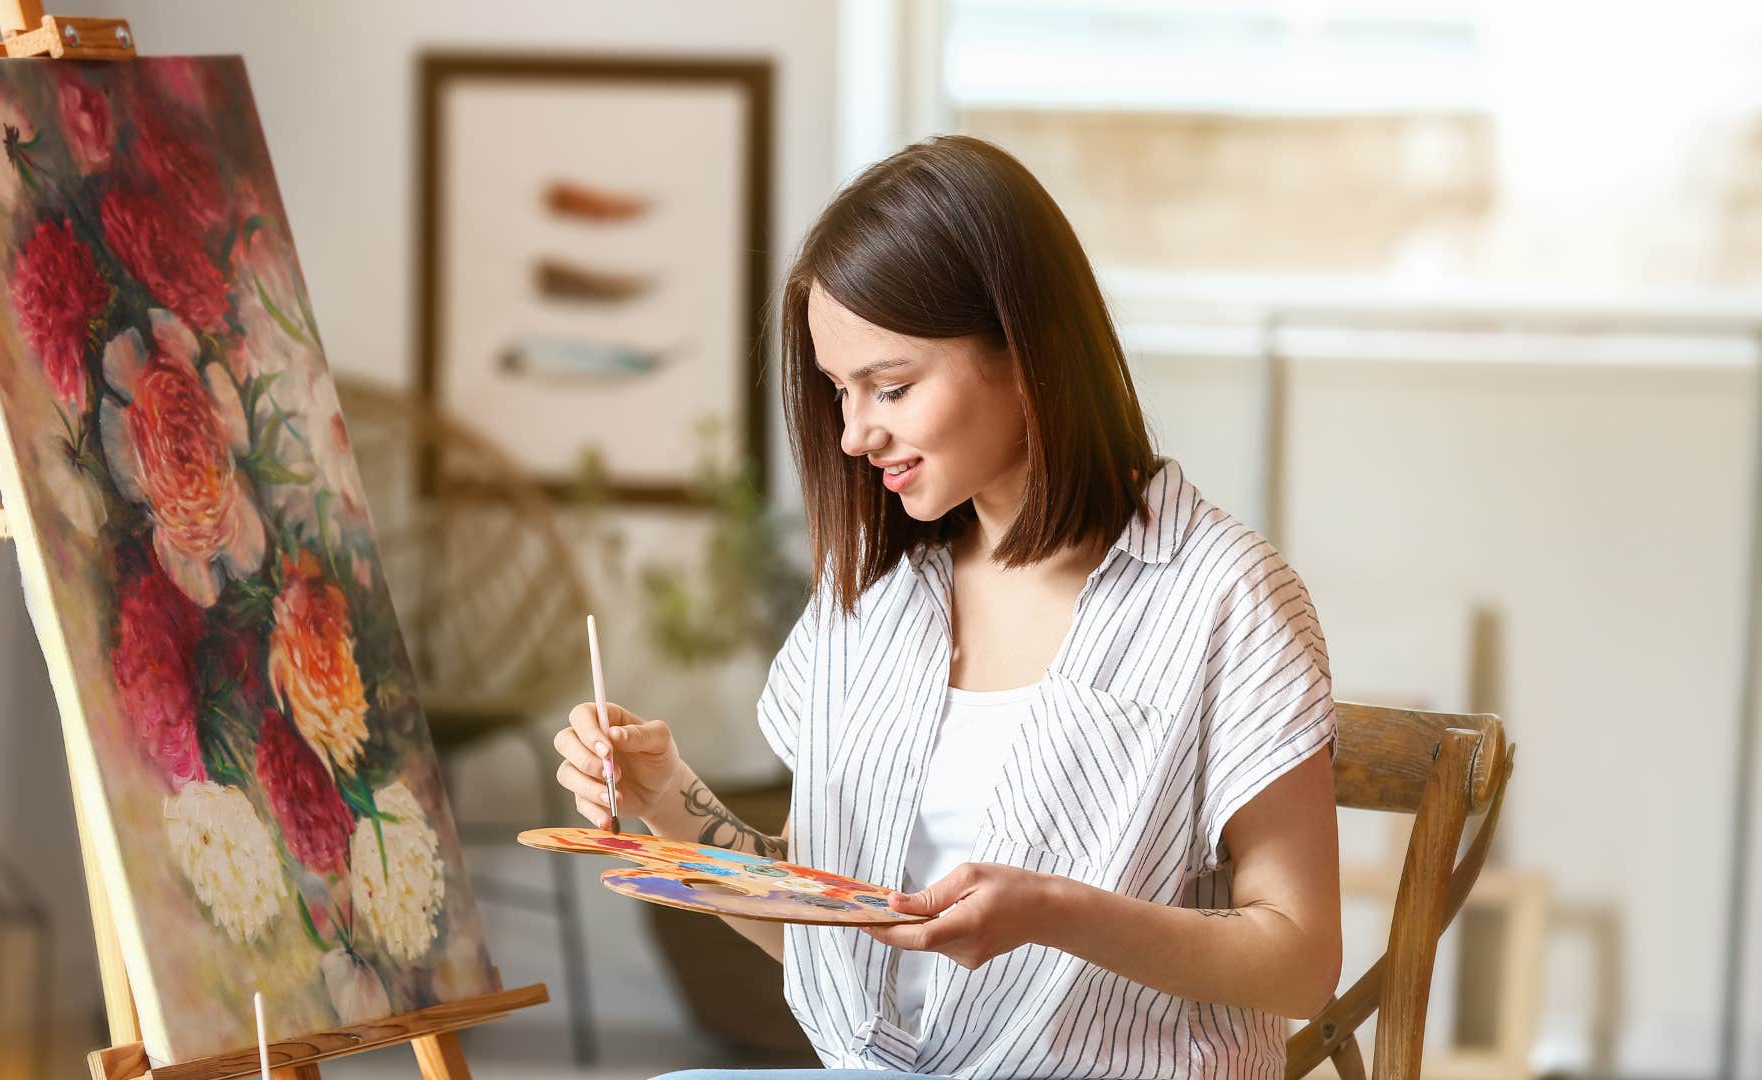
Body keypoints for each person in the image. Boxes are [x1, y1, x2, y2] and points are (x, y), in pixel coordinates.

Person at [550, 135, 1340, 1080]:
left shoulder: (1224, 595)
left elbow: (1301, 963)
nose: (854, 434)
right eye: (840, 392)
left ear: (1026, 350)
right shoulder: (874, 596)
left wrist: (1055, 913)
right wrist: (667, 801)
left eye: (891, 387)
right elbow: (823, 931)